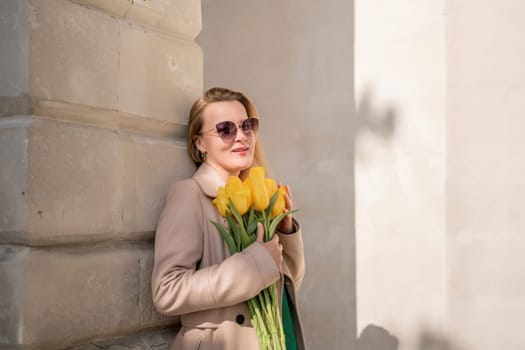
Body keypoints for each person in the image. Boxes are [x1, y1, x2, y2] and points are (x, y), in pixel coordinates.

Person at [151, 87, 306, 350]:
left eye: (247, 126)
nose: (241, 137)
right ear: (199, 142)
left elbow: (284, 291)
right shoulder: (190, 195)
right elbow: (167, 291)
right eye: (225, 129)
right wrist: (252, 265)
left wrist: (285, 231)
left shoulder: (255, 198)